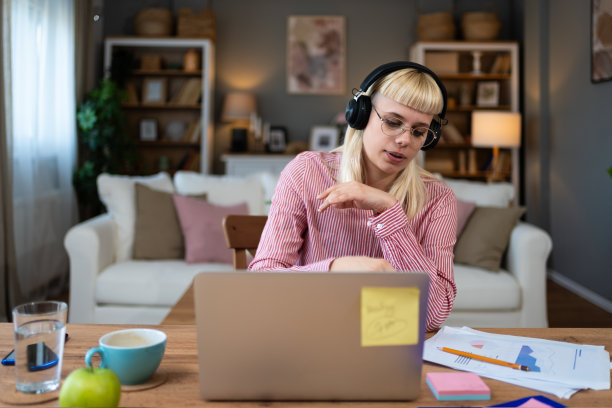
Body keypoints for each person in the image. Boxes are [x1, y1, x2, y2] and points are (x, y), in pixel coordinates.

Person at [249, 61, 457, 331]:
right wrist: (337, 269)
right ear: (360, 114)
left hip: (387, 338)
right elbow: (261, 283)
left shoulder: (438, 198)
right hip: (307, 330)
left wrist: (389, 210)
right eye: (393, 122)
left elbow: (433, 315)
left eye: (418, 131)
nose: (405, 140)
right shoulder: (307, 172)